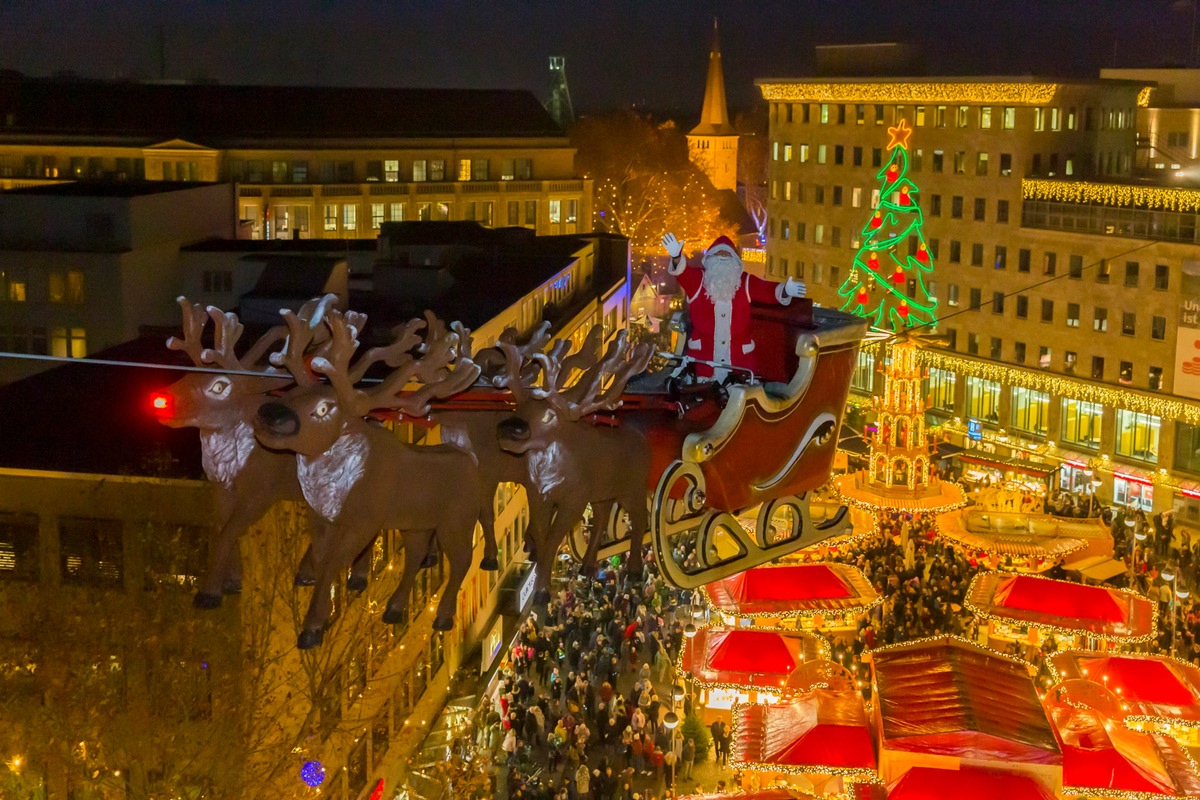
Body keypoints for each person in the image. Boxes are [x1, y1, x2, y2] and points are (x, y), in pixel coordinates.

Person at [662, 232, 805, 381]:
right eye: (718, 254)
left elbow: (766, 290)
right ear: (709, 260)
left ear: (735, 262)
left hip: (739, 361)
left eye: (727, 254)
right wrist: (677, 257)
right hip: (704, 359)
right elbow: (683, 273)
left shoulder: (745, 282)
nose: (723, 257)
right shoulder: (698, 281)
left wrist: (785, 290)